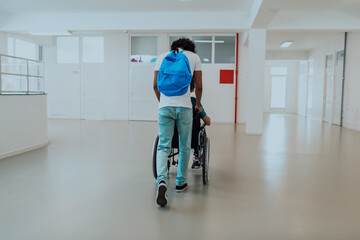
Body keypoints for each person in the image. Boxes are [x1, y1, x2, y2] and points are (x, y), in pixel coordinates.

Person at [153, 38, 202, 207]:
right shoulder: (194, 57)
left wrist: (162, 102)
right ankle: (180, 183)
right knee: (184, 146)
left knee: (163, 146)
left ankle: (161, 181)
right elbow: (199, 86)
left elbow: (155, 86)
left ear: (174, 47)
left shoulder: (162, 57)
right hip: (184, 107)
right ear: (190, 48)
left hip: (165, 106)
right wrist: (197, 103)